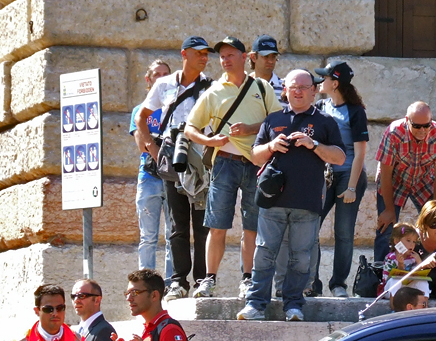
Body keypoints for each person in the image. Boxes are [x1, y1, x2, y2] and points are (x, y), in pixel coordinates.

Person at [237, 70, 345, 321]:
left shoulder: (325, 122)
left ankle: (294, 305)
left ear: (313, 90)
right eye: (292, 87)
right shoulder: (272, 119)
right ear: (284, 89)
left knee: (300, 257)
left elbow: (339, 157)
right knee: (264, 253)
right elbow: (254, 156)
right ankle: (255, 304)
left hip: (307, 202)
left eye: (303, 87)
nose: (297, 91)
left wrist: (314, 145)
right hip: (272, 201)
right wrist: (271, 146)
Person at [184, 36, 282, 300]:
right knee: (216, 225)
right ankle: (208, 280)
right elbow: (189, 128)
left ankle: (247, 279)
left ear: (244, 57)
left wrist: (251, 129)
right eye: (222, 56)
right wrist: (209, 140)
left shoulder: (261, 87)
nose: (225, 60)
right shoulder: (214, 91)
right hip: (224, 163)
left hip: (255, 163)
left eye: (230, 55)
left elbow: (277, 121)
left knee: (251, 227)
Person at [133, 36, 214, 302]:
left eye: (206, 53)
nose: (204, 57)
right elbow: (141, 116)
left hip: (200, 157)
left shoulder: (211, 86)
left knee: (203, 224)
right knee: (177, 224)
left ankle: (202, 279)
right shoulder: (164, 84)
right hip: (172, 154)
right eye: (198, 53)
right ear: (184, 54)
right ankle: (178, 280)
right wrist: (152, 150)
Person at [306, 61, 370, 298]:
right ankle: (312, 282)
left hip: (348, 176)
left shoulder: (356, 112)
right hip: (324, 176)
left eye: (325, 78)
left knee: (343, 232)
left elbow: (360, 153)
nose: (320, 81)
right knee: (311, 228)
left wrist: (352, 187)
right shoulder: (321, 106)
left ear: (335, 83)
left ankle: (339, 284)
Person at [374, 101, 436, 263]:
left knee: (435, 227)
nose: (422, 130)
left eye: (427, 125)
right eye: (417, 126)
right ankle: (381, 276)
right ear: (407, 120)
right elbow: (385, 173)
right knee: (386, 230)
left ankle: (433, 271)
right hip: (394, 181)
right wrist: (389, 209)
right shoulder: (394, 132)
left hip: (424, 182)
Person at [130, 58, 174, 280]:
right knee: (148, 236)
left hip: (173, 177)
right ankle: (145, 283)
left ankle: (171, 283)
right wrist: (158, 152)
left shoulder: (175, 109)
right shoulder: (141, 111)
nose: (162, 78)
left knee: (172, 235)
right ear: (148, 80)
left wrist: (153, 142)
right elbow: (141, 144)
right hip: (149, 177)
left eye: (165, 74)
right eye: (157, 74)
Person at [381, 222, 430, 298]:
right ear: (397, 241)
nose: (412, 245)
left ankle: (424, 306)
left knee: (423, 282)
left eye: (414, 242)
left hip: (408, 288)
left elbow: (417, 275)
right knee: (395, 281)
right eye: (408, 240)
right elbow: (388, 279)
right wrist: (400, 266)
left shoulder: (413, 258)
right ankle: (394, 307)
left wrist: (419, 263)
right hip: (390, 290)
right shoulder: (390, 258)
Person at [249, 34, 284, 101]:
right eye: (266, 56)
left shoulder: (286, 88)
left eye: (273, 56)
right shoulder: (242, 86)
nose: (271, 61)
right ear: (253, 57)